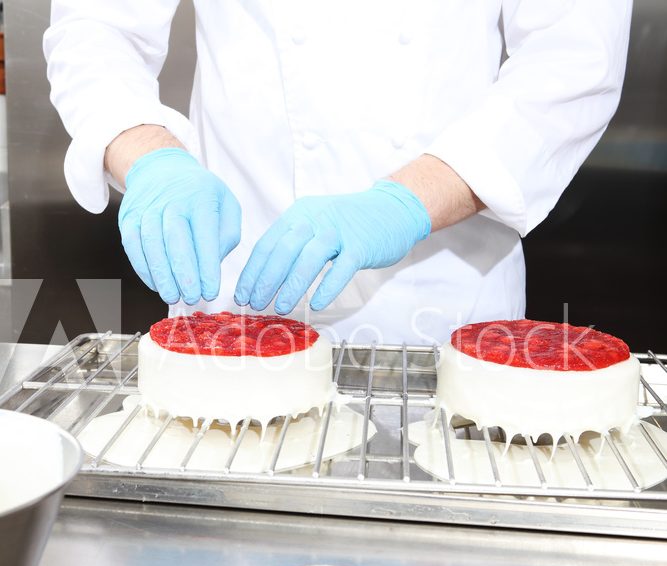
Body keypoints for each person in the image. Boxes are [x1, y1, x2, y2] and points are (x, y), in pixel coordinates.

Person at [43, 1, 632, 345]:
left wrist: (406, 202)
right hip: (238, 292)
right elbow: (97, 27)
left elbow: (573, 60)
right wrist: (151, 156)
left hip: (441, 302)